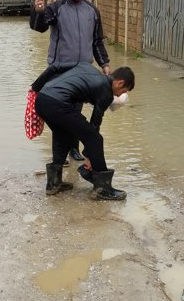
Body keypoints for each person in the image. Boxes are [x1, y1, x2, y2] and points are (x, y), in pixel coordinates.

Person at [30, 0, 110, 162]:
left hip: (82, 72)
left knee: (75, 112)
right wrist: (38, 12)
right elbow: (39, 28)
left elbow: (97, 41)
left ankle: (73, 148)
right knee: (60, 115)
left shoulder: (92, 11)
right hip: (59, 71)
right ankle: (60, 154)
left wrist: (105, 64)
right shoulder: (56, 8)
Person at [32, 62, 135, 201]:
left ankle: (53, 183)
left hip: (42, 98)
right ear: (120, 83)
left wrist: (35, 87)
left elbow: (55, 66)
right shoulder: (107, 92)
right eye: (123, 91)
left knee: (63, 135)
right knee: (96, 139)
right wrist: (89, 155)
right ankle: (102, 189)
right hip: (58, 103)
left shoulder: (86, 66)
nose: (119, 95)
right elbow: (95, 125)